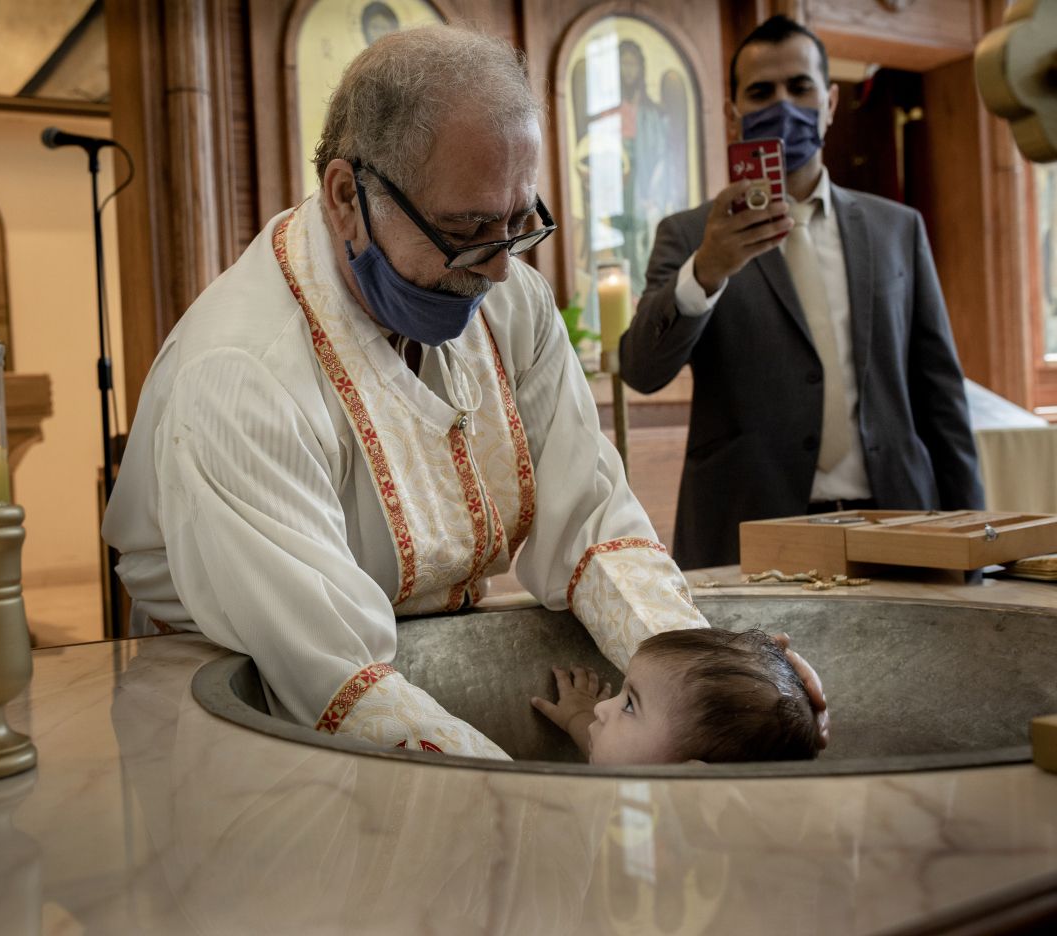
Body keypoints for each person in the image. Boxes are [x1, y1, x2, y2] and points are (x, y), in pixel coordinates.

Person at [103, 26, 825, 759]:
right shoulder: (241, 375)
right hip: (246, 721)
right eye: (468, 228)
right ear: (348, 195)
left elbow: (591, 520)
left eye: (518, 224)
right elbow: (334, 677)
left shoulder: (511, 301)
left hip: (414, 667)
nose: (501, 270)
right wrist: (524, 810)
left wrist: (714, 687)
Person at [619, 15, 984, 571]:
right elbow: (642, 370)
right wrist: (707, 272)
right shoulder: (692, 235)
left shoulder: (897, 229)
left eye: (800, 87)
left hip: (901, 523)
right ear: (732, 112)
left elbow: (941, 396)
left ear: (830, 102)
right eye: (761, 92)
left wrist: (974, 543)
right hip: (753, 532)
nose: (783, 104)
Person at [532, 629, 822, 765]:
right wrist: (577, 716)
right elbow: (613, 757)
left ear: (689, 780)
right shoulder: (649, 776)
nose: (601, 708)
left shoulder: (687, 855)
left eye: (630, 705)